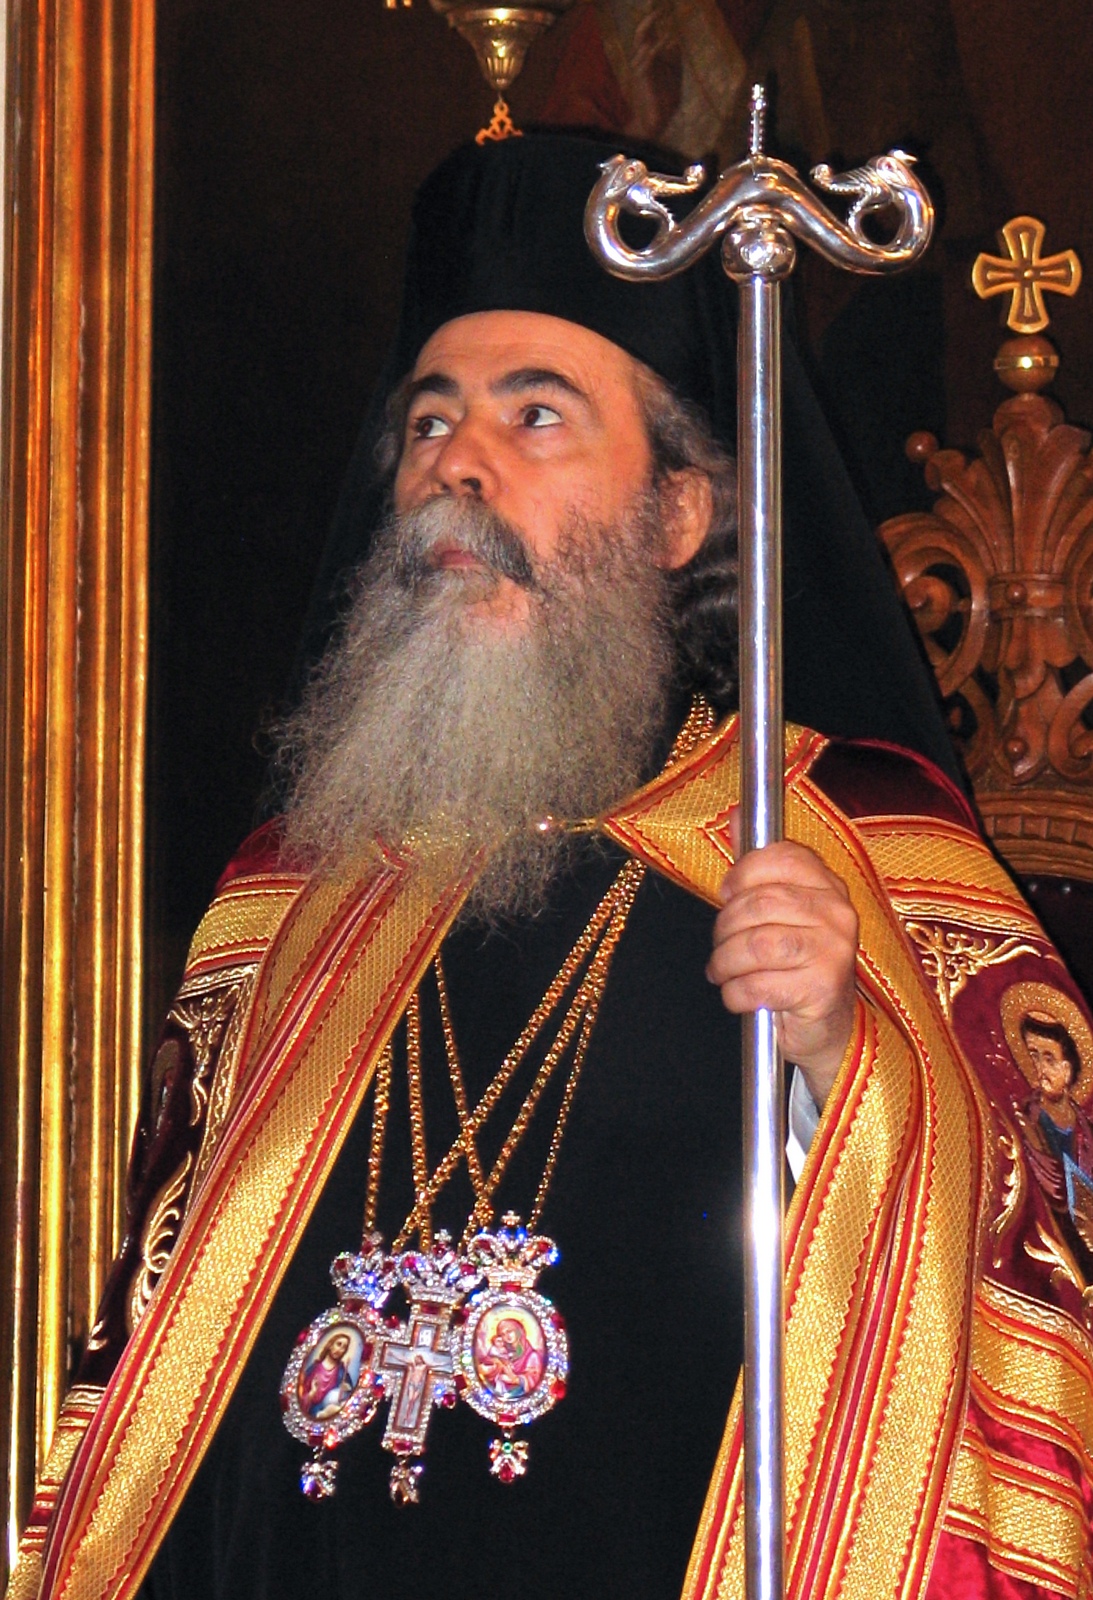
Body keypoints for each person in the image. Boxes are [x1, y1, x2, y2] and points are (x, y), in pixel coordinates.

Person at [9, 134, 1093, 1600]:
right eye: (428, 423)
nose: (458, 462)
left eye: (536, 418)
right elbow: (148, 1370)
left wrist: (853, 1061)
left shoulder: (839, 840)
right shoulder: (283, 900)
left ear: (678, 514)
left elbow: (1041, 1285)